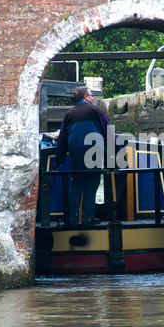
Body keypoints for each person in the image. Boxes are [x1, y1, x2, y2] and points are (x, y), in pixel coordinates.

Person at [53, 86, 114, 226]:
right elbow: (109, 134)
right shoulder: (96, 111)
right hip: (94, 152)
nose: (92, 98)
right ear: (86, 97)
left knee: (77, 184)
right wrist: (117, 151)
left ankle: (71, 218)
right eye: (91, 95)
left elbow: (62, 140)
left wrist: (58, 160)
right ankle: (88, 217)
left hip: (77, 153)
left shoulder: (69, 114)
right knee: (92, 184)